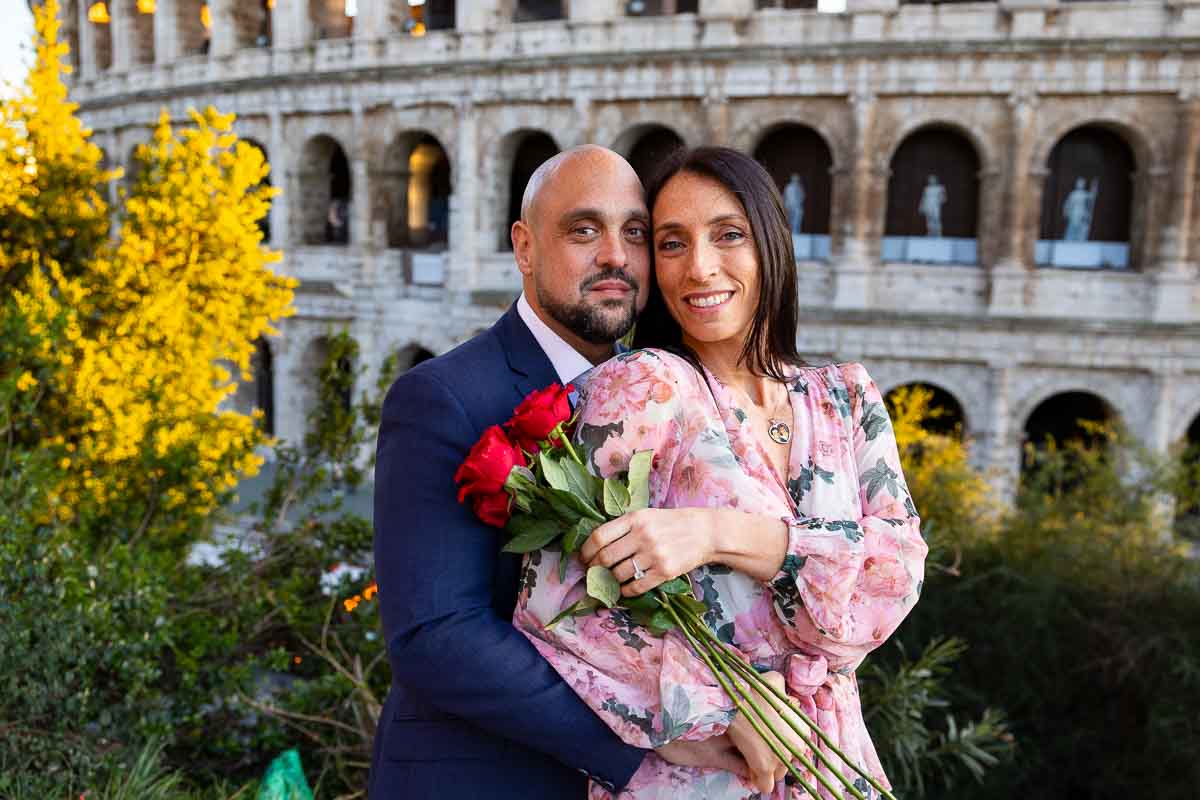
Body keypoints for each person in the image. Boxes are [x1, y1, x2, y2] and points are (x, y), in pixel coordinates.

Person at [515, 147, 928, 799]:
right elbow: (555, 603)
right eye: (672, 243)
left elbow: (895, 580)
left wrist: (720, 534)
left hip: (833, 761)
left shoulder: (846, 399)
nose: (700, 267)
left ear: (771, 241)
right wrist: (722, 707)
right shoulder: (644, 388)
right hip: (705, 772)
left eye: (728, 234)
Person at [370, 146, 758, 798]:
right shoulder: (442, 397)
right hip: (484, 779)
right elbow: (434, 635)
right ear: (525, 247)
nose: (615, 256)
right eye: (584, 230)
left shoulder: (671, 390)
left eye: (634, 233)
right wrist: (643, 733)